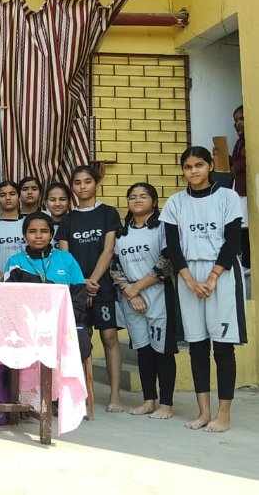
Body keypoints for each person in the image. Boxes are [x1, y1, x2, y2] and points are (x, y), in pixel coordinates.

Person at [159, 146, 247, 432]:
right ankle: (204, 412)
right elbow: (173, 247)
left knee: (222, 347)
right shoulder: (175, 203)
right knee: (197, 347)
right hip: (188, 276)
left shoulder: (227, 197)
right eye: (188, 167)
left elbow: (232, 241)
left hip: (221, 274)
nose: (193, 171)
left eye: (199, 165)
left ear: (210, 166)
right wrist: (188, 280)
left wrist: (212, 278)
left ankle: (224, 414)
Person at [57, 165, 124, 413]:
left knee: (109, 337)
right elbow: (65, 258)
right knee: (78, 341)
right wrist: (81, 283)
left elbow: (108, 250)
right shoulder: (67, 220)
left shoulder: (108, 213)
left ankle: (115, 396)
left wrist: (93, 280)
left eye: (87, 181)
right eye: (77, 182)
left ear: (95, 183)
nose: (82, 186)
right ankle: (80, 395)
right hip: (77, 289)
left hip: (102, 286)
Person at [110, 183, 178, 419]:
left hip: (158, 294)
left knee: (163, 351)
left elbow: (167, 261)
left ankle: (166, 404)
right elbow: (115, 266)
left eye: (143, 196)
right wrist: (130, 292)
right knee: (144, 350)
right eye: (132, 197)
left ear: (154, 201)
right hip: (130, 298)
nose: (137, 200)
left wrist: (137, 288)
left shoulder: (162, 228)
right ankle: (149, 400)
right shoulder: (121, 234)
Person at [4, 212, 90, 364]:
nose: (38, 236)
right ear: (24, 235)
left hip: (65, 321)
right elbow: (10, 301)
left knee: (80, 344)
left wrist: (65, 319)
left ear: (51, 235)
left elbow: (79, 296)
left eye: (44, 231)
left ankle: (65, 379)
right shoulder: (15, 262)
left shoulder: (66, 258)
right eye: (32, 231)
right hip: (27, 325)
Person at [230, 105, 250, 269]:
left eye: (241, 119)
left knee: (246, 228)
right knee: (242, 227)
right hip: (239, 190)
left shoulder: (250, 139)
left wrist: (235, 166)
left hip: (247, 191)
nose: (238, 123)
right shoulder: (240, 142)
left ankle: (248, 263)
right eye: (236, 120)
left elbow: (245, 163)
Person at [45, 182, 71, 249]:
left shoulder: (76, 224)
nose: (57, 204)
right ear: (46, 203)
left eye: (62, 199)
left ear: (69, 202)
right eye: (52, 200)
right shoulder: (42, 226)